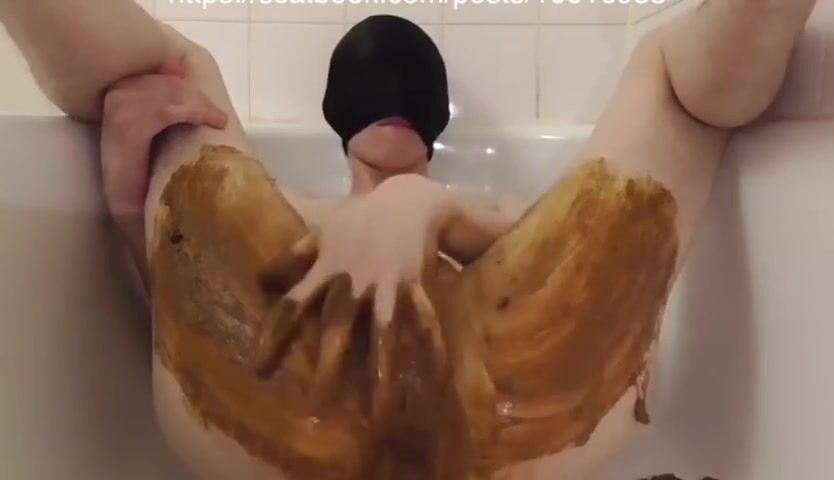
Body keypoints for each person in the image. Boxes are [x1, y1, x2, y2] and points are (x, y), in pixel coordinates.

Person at [0, 1, 816, 479]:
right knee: (672, 85)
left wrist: (421, 207)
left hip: (281, 397)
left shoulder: (300, 215)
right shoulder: (300, 212)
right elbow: (175, 299)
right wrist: (127, 207)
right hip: (521, 402)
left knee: (174, 72)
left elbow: (184, 306)